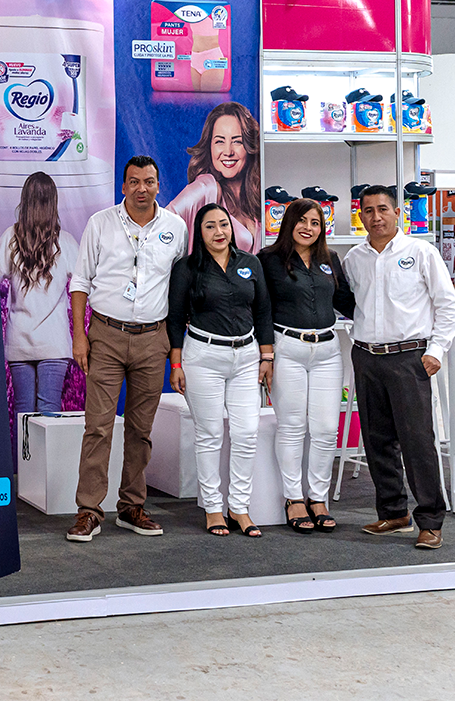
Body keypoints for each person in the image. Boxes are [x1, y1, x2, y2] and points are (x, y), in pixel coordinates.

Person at [66, 156, 188, 542]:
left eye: (148, 181)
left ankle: (131, 506)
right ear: (123, 186)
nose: (141, 188)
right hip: (106, 335)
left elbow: (179, 288)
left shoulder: (176, 228)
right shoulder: (100, 223)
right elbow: (80, 282)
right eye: (133, 182)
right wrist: (79, 336)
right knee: (98, 427)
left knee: (141, 429)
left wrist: (174, 349)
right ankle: (89, 510)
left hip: (154, 338)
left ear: (158, 185)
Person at [342, 185, 455, 550]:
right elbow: (350, 306)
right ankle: (394, 513)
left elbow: (447, 305)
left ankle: (430, 521)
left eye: (383, 210)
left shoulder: (420, 252)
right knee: (377, 440)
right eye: (368, 211)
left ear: (398, 213)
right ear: (360, 215)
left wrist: (436, 350)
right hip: (366, 357)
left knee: (417, 441)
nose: (375, 217)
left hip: (410, 358)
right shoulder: (353, 259)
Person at [167, 204, 275, 537]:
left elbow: (263, 311)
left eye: (224, 225)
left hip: (245, 357)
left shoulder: (250, 263)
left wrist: (267, 357)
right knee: (210, 435)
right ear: (199, 233)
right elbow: (174, 318)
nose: (219, 232)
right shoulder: (187, 267)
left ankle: (239, 507)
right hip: (203, 357)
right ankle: (213, 507)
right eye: (210, 226)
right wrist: (176, 363)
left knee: (246, 433)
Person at [262, 198, 356, 533]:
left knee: (327, 427)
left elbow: (345, 300)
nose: (308, 228)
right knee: (291, 426)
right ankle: (294, 498)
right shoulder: (269, 260)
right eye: (302, 221)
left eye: (315, 223)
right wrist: (266, 355)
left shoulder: (329, 259)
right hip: (287, 348)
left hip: (328, 351)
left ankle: (318, 497)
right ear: (289, 223)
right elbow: (262, 310)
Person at [0, 172, 79, 415]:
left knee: (23, 415)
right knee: (49, 414)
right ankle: (48, 456)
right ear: (53, 202)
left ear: (25, 201)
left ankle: (21, 457)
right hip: (54, 343)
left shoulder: (9, 239)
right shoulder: (65, 242)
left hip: (18, 340)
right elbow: (85, 287)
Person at [166, 102, 262, 252]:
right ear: (209, 146)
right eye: (219, 142)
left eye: (237, 141)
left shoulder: (258, 199)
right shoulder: (206, 189)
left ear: (249, 145)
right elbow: (160, 227)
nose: (228, 151)